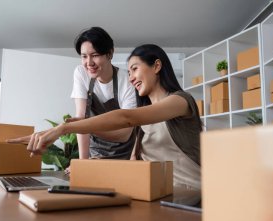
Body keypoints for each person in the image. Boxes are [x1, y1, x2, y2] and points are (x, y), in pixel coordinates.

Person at [21, 44, 202, 190]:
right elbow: (133, 164)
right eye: (129, 73)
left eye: (134, 69)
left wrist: (63, 129)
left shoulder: (180, 101)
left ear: (156, 66)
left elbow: (126, 118)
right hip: (157, 193)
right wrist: (93, 166)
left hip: (188, 194)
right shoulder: (143, 120)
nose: (131, 78)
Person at [67, 27, 137, 160]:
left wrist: (85, 126)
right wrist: (83, 162)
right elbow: (81, 116)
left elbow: (125, 133)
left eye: (95, 55)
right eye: (84, 56)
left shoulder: (127, 80)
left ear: (110, 54)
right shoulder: (81, 73)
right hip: (96, 154)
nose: (89, 63)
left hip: (125, 155)